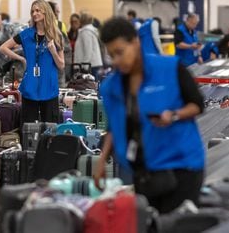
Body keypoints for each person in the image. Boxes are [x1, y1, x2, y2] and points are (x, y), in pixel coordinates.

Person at [93, 17, 205, 214]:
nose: (117, 61)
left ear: (135, 42)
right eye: (111, 55)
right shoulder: (111, 86)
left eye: (120, 52)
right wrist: (102, 160)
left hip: (181, 167)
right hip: (143, 172)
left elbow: (197, 104)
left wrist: (173, 116)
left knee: (176, 226)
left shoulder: (170, 68)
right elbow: (115, 125)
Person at [0, 0, 65, 124]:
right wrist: (21, 58)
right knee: (28, 129)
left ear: (46, 12)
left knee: (50, 129)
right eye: (32, 11)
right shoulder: (26, 34)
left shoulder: (56, 35)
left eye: (38, 10)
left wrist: (53, 51)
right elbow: (3, 47)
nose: (34, 13)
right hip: (30, 87)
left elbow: (61, 65)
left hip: (49, 88)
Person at [73, 12, 103, 79]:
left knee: (89, 87)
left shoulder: (86, 32)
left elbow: (88, 50)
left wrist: (85, 67)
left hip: (90, 66)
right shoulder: (89, 31)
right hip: (93, 64)